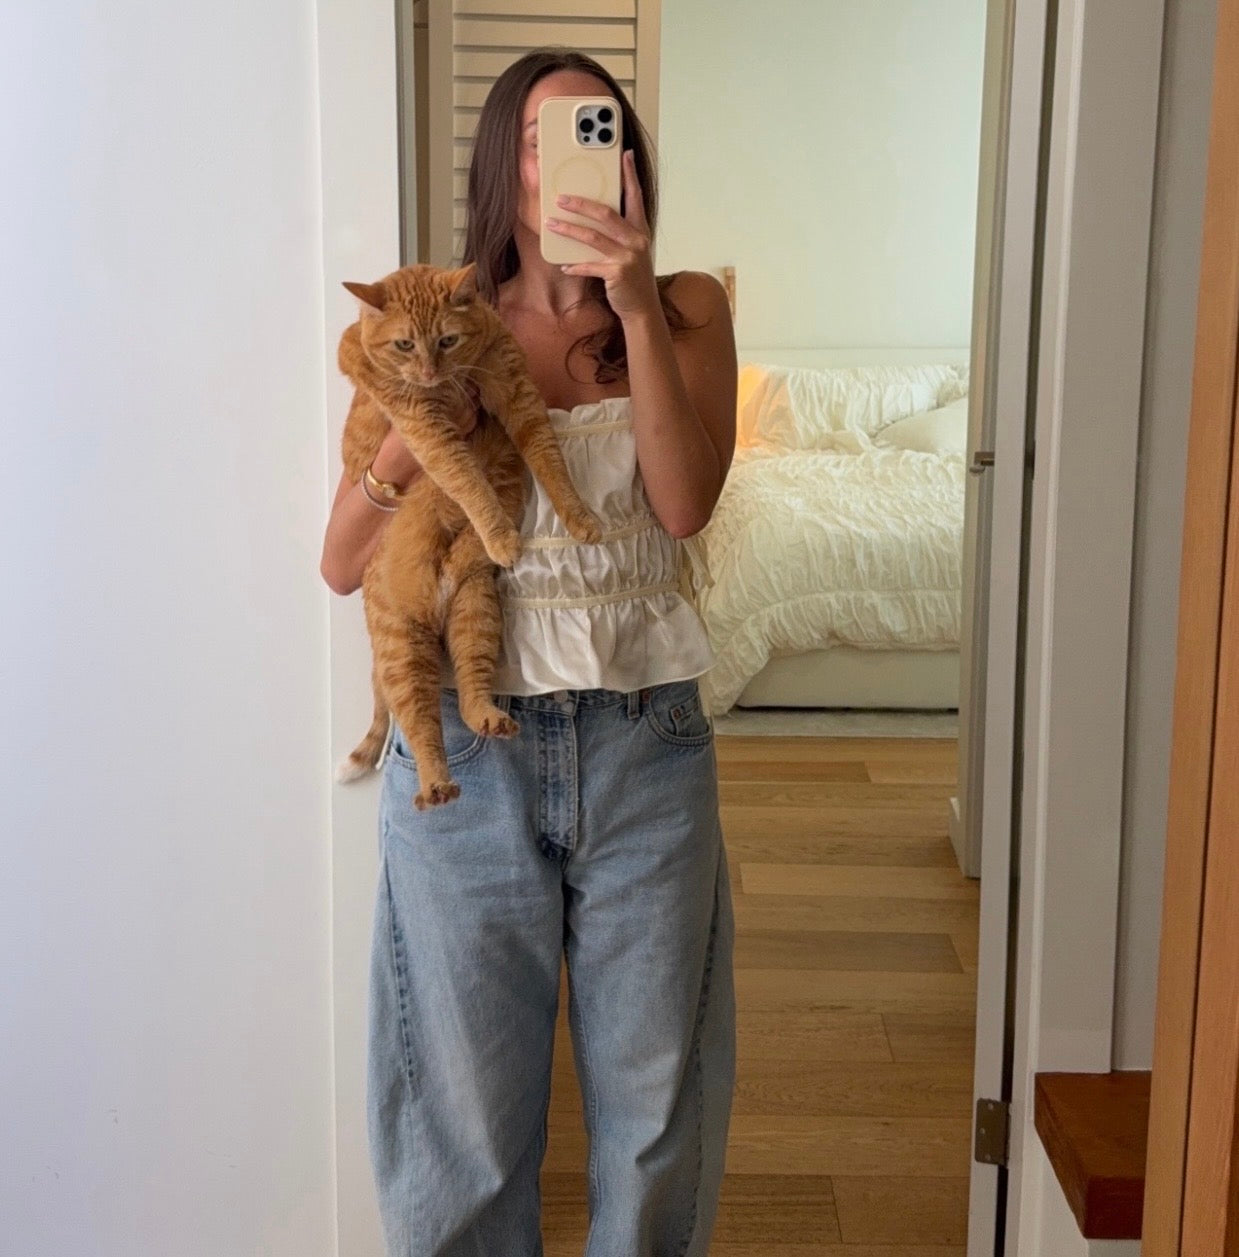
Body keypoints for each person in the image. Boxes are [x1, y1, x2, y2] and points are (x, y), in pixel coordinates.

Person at [319, 47, 738, 1257]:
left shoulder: (685, 308)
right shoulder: (425, 330)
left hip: (645, 743)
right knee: (463, 1130)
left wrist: (636, 302)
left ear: (628, 158)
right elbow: (341, 562)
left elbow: (682, 506)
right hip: (465, 748)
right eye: (542, 140)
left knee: (655, 1123)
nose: (568, 165)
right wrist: (411, 432)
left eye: (596, 131)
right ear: (505, 164)